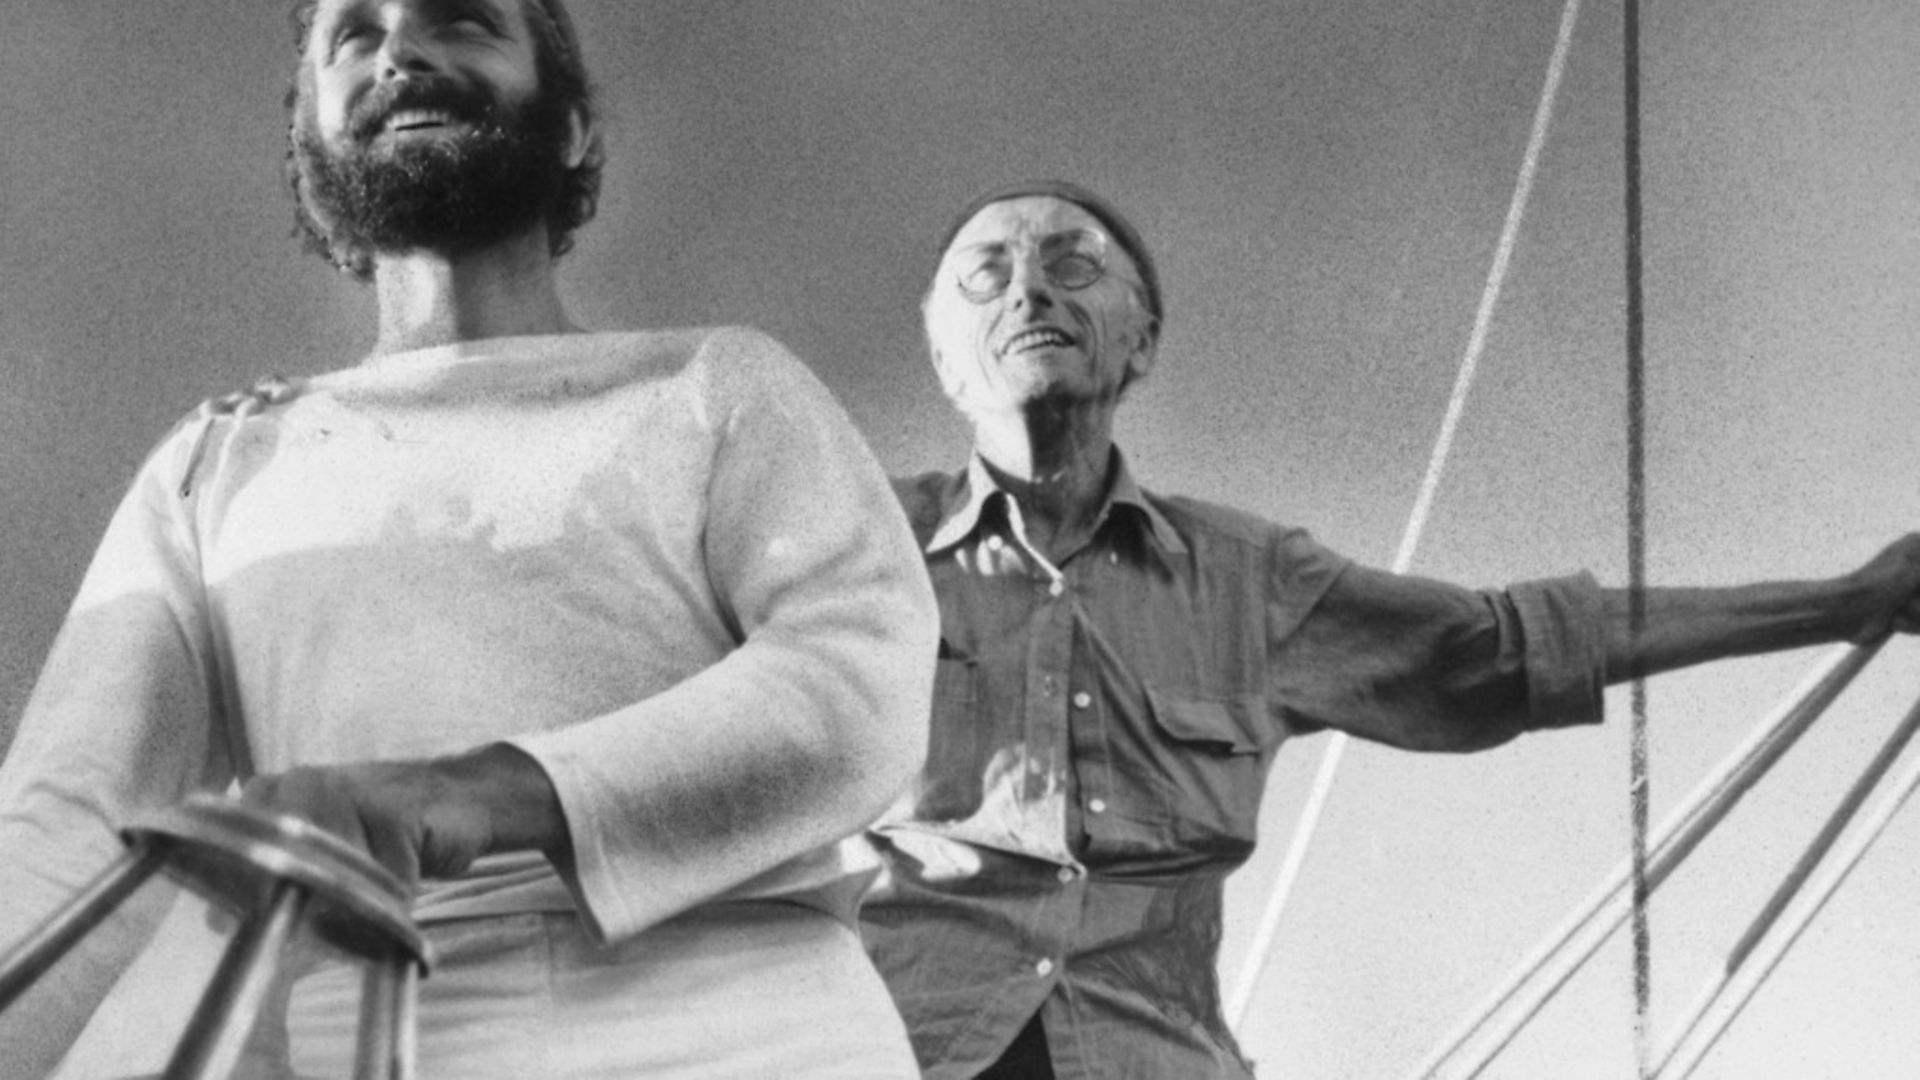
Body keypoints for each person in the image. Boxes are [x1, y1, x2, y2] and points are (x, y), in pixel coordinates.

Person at [0, 1, 936, 1076]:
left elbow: (856, 680)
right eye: (354, 36)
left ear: (573, 129)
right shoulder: (215, 462)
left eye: (463, 22)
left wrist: (479, 792)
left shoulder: (719, 384)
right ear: (312, 150)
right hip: (359, 1029)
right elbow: (72, 821)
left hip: (743, 1010)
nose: (400, 50)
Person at [857, 179, 1920, 1080]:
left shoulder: (1245, 580)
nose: (1030, 289)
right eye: (985, 275)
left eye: (1072, 263)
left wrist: (1845, 599)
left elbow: (1503, 648)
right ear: (946, 358)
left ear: (1141, 342)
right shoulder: (854, 550)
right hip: (888, 1054)